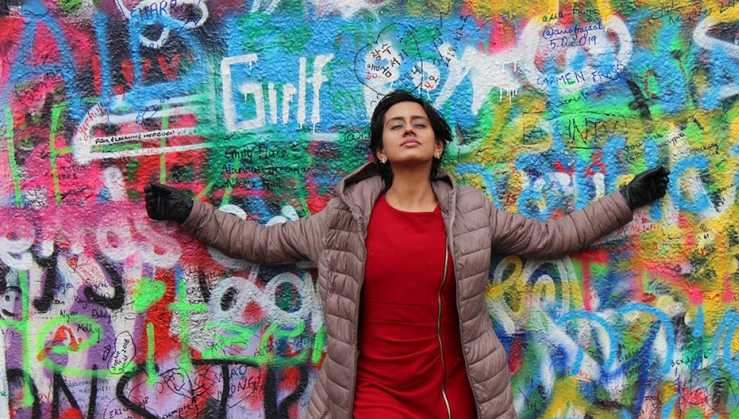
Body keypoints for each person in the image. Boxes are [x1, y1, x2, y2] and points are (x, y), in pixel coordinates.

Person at [144, 90, 669, 419]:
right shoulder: (343, 219)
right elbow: (263, 243)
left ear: (438, 146)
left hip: (454, 398)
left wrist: (625, 201)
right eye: (396, 125)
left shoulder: (471, 213)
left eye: (419, 123)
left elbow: (551, 238)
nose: (409, 129)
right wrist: (190, 212)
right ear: (379, 152)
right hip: (371, 398)